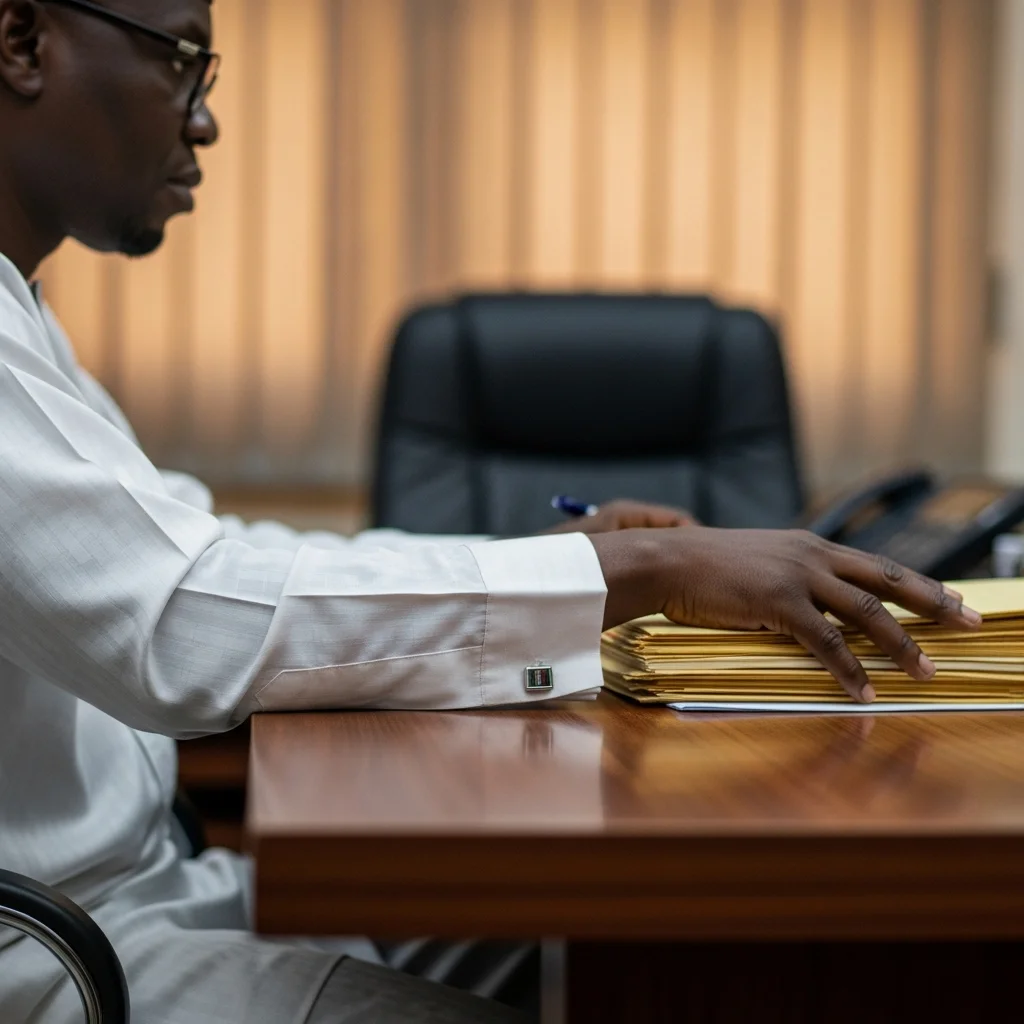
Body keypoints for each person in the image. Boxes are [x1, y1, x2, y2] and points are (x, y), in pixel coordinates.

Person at [0, 1, 982, 1022]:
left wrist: (539, 558)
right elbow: (181, 619)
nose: (203, 121)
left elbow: (209, 546)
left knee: (631, 942)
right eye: (185, 62)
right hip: (65, 953)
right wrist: (631, 575)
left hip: (157, 897)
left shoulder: (21, 311)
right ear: (23, 42)